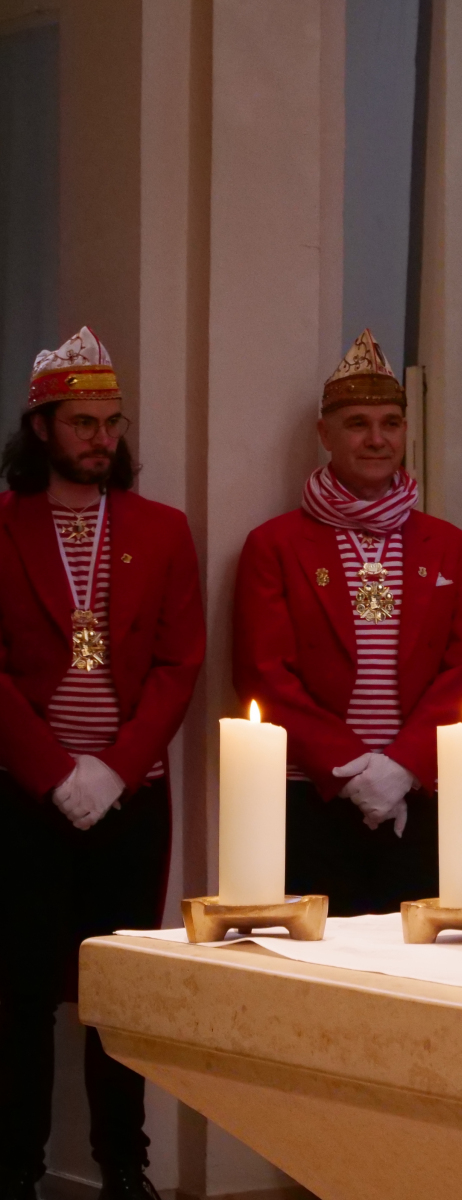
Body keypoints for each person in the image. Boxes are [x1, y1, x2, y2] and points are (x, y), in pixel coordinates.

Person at [0, 329, 203, 1200]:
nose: (102, 439)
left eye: (112, 424)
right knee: (19, 992)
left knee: (120, 991)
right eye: (84, 423)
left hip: (131, 798)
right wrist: (54, 772)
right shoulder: (6, 526)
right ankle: (16, 1166)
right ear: (41, 427)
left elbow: (179, 662)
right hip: (24, 799)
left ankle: (126, 1166)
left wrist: (115, 769)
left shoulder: (161, 530)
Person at [233, 330, 462, 917]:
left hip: (419, 791)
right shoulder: (274, 545)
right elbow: (264, 674)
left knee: (419, 960)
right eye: (357, 424)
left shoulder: (452, 546)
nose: (377, 439)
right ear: (324, 435)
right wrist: (353, 771)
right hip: (310, 794)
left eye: (390, 423)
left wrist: (400, 767)